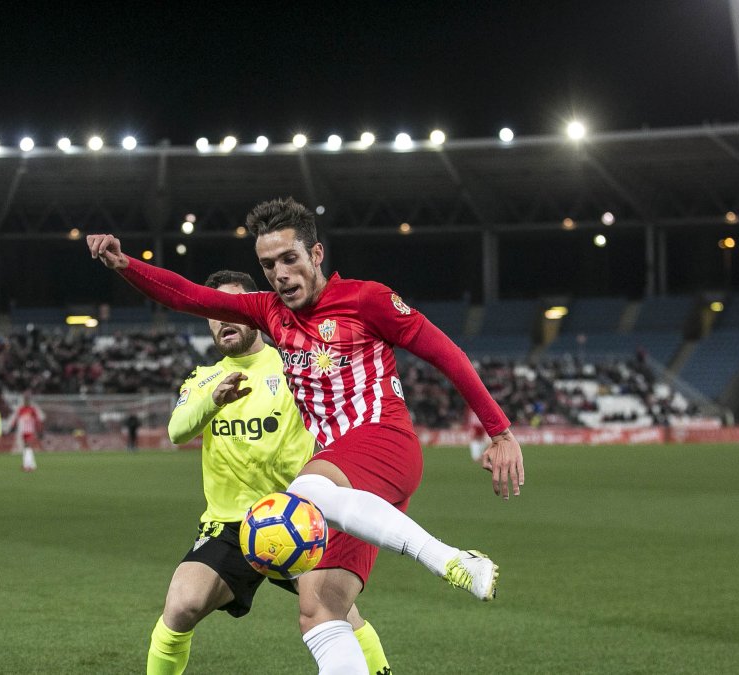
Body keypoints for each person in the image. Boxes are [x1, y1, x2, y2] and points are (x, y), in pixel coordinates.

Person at [89, 196, 524, 674]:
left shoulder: (366, 299)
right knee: (319, 613)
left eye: (289, 259)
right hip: (350, 492)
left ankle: (452, 560)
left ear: (316, 255)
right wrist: (124, 263)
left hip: (383, 442)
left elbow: (446, 353)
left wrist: (499, 431)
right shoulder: (270, 311)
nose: (280, 274)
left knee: (303, 491)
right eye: (268, 264)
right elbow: (190, 296)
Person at [148, 270, 391, 675]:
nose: (223, 319)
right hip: (229, 525)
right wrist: (214, 399)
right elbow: (177, 430)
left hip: (295, 518)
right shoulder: (204, 378)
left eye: (231, 309)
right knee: (182, 605)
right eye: (213, 311)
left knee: (340, 616)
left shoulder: (292, 366)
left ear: (253, 311)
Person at [5, 393, 43, 472]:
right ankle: (31, 465)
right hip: (23, 431)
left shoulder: (32, 410)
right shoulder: (21, 409)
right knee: (26, 447)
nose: (26, 401)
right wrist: (12, 427)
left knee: (27, 446)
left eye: (28, 400)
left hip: (30, 431)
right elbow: (16, 419)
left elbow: (37, 420)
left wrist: (39, 430)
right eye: (25, 400)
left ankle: (27, 465)